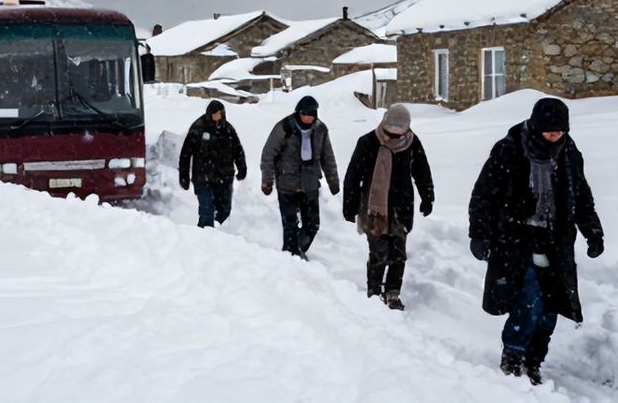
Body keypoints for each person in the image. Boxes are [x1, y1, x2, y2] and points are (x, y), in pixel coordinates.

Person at [468, 98, 604, 386]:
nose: (555, 135)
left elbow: (581, 196)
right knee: (528, 301)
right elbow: (483, 195)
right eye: (549, 130)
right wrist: (479, 234)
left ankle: (534, 360)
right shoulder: (510, 150)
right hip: (517, 239)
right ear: (537, 126)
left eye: (560, 130)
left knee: (550, 308)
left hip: (555, 240)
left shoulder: (569, 154)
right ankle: (513, 357)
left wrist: (593, 232)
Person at [341, 104, 434, 310]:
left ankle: (392, 292)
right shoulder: (368, 142)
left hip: (401, 206)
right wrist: (350, 204)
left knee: (398, 253)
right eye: (393, 127)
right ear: (384, 123)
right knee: (378, 251)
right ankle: (374, 291)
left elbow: (421, 171)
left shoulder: (411, 142)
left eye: (401, 128)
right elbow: (353, 176)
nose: (396, 132)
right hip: (375, 208)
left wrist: (427, 196)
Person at [260, 95, 339, 259]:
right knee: (290, 223)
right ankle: (291, 256)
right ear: (299, 113)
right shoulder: (284, 128)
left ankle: (296, 250)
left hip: (310, 183)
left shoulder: (320, 129)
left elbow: (328, 156)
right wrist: (267, 180)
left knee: (313, 224)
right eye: (305, 115)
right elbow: (269, 154)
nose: (308, 119)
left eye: (312, 116)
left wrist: (333, 180)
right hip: (287, 182)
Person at [178, 100, 247, 227]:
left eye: (221, 113)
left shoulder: (228, 129)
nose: (218, 116)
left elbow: (237, 150)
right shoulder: (198, 127)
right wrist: (184, 176)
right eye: (215, 113)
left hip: (224, 176)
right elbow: (186, 154)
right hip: (203, 177)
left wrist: (242, 168)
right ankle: (205, 236)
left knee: (224, 211)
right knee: (207, 211)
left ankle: (207, 233)